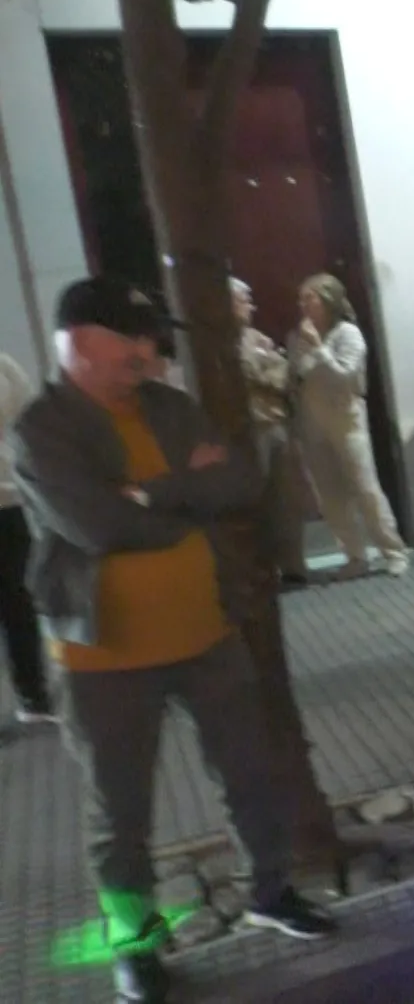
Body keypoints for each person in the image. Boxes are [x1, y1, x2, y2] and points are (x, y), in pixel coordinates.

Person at [10, 277, 336, 1002]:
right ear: (82, 341)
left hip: (206, 633)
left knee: (249, 773)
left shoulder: (170, 406)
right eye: (134, 338)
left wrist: (151, 493)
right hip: (104, 658)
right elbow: (97, 526)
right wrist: (184, 499)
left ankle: (272, 891)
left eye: (151, 338)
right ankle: (136, 942)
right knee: (119, 813)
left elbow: (240, 482)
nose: (149, 351)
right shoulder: (40, 430)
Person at [290, 274, 410, 578]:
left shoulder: (348, 334)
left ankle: (393, 550)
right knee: (329, 495)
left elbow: (344, 376)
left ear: (328, 299)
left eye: (310, 297)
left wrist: (318, 348)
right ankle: (354, 556)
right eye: (301, 299)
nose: (304, 305)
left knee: (365, 487)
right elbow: (297, 375)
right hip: (312, 422)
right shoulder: (297, 337)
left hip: (347, 418)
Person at [231, 279, 310, 589]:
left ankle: (293, 566)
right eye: (243, 300)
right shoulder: (213, 344)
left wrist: (257, 368)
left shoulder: (257, 339)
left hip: (275, 426)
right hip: (245, 430)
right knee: (251, 503)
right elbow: (240, 376)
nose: (251, 307)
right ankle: (257, 569)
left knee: (286, 500)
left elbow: (283, 376)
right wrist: (259, 367)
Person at [0, 351, 51, 724]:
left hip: (6, 500)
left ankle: (33, 696)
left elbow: (25, 410)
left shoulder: (3, 363)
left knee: (20, 598)